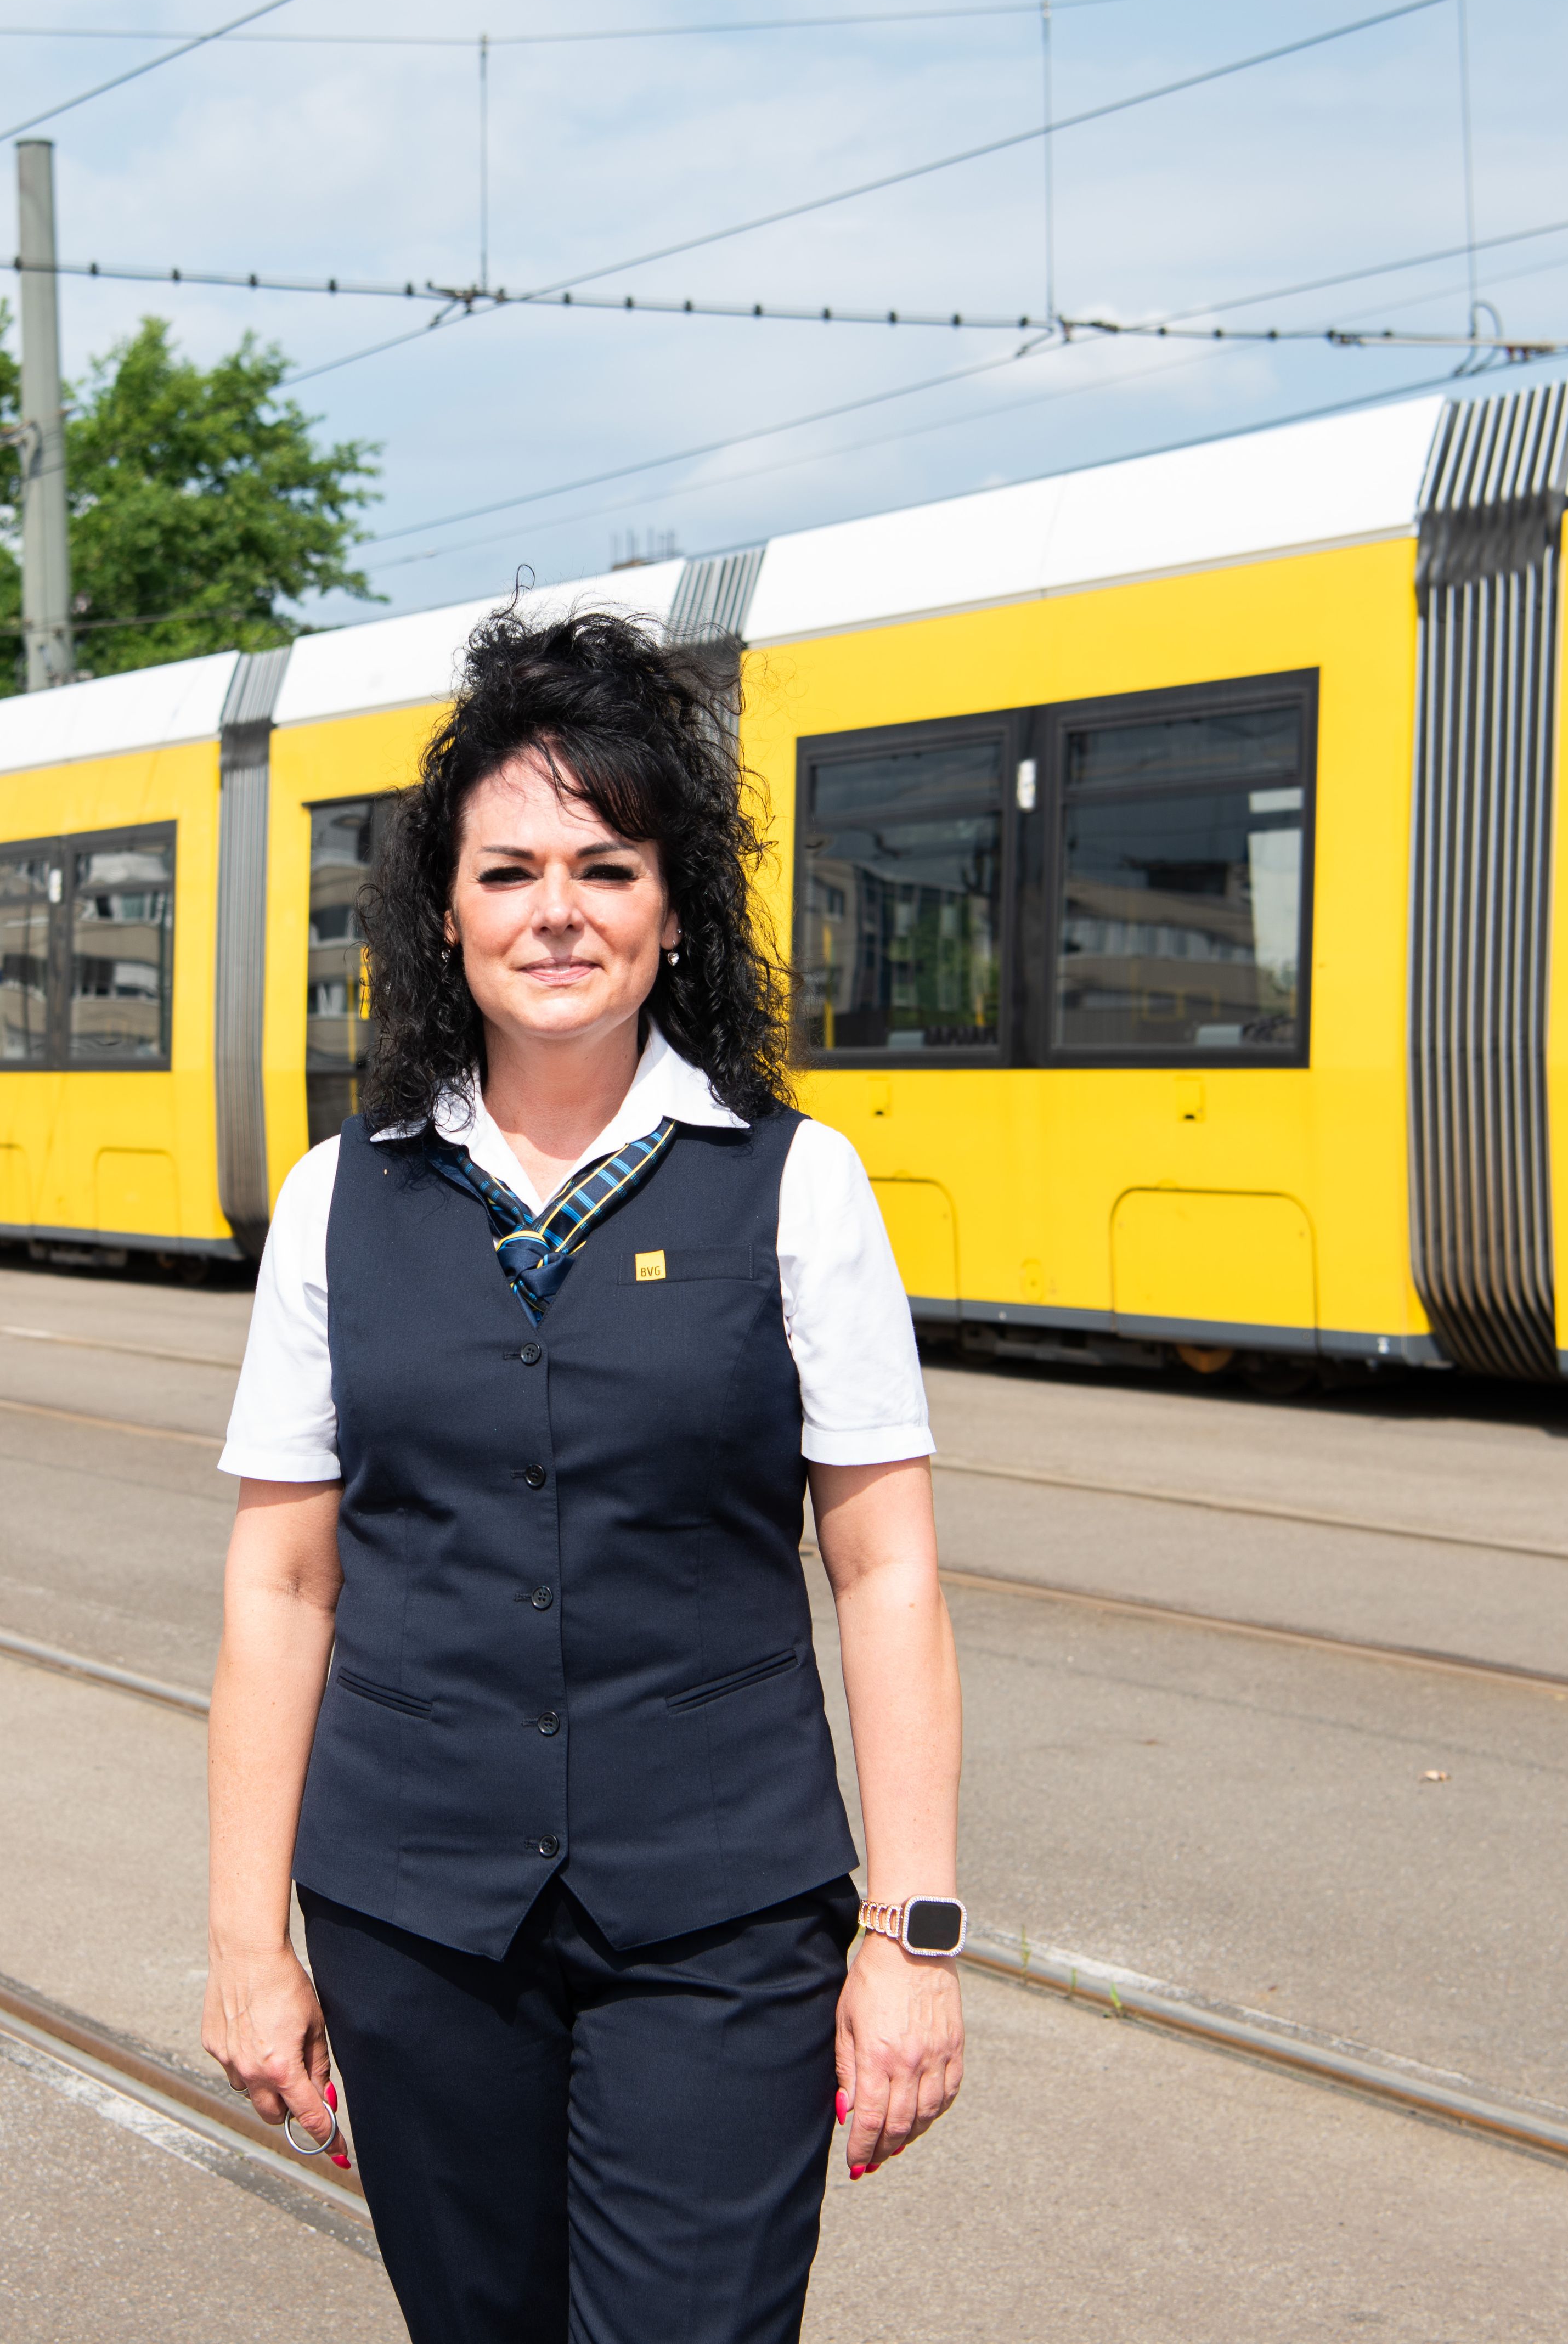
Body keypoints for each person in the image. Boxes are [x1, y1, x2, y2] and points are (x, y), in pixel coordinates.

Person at [205, 608, 966, 2343]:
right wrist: (251, 1945)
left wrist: (912, 1938)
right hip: (416, 1918)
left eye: (607, 866)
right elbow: (281, 1582)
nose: (558, 908)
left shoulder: (796, 1185)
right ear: (445, 912)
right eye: (511, 869)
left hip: (723, 1914)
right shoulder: (342, 1199)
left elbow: (887, 1572)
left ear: (675, 909)